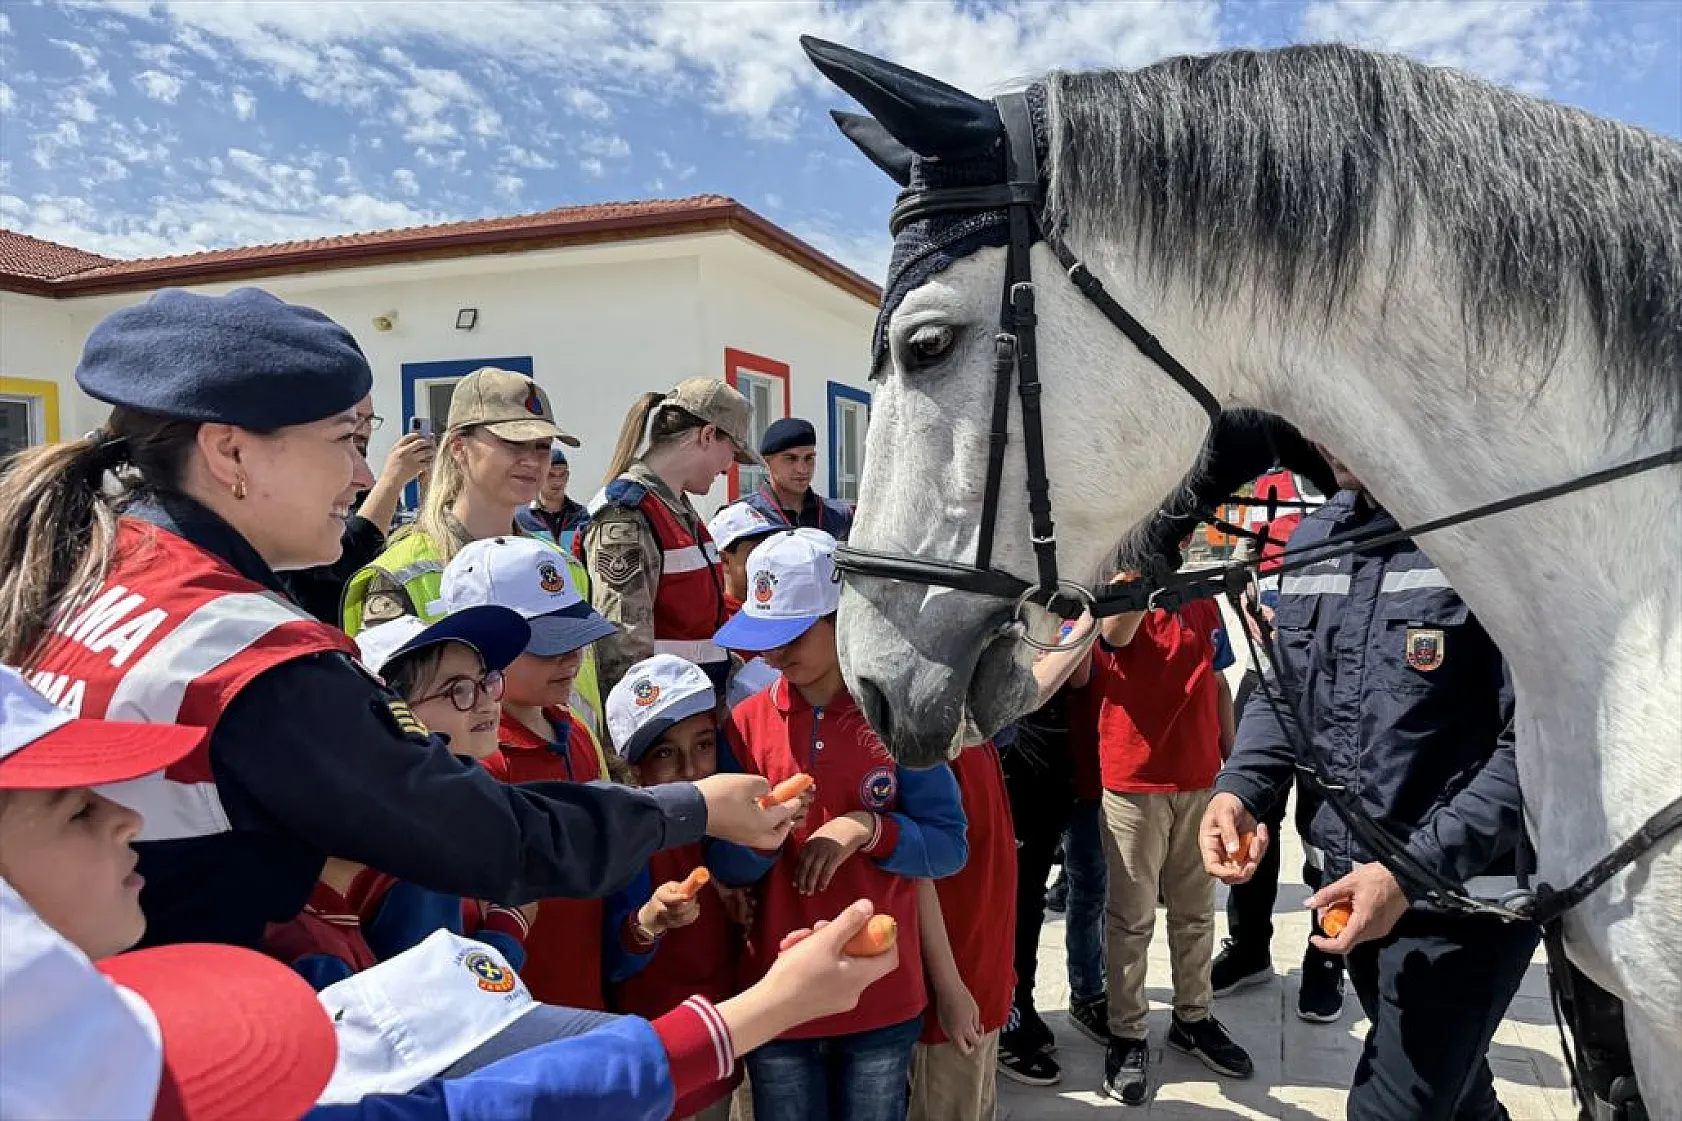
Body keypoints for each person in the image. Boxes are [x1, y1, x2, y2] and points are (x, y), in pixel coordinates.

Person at [0, 287, 801, 955]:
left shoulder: (88, 570)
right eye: (347, 439)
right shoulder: (240, 651)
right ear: (230, 453)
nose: (363, 473)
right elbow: (477, 831)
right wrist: (694, 807)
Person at [1203, 447, 1533, 1121]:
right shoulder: (1316, 536)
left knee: (1392, 1103)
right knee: (1456, 1091)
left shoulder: (1494, 535)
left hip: (1466, 903)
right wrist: (1238, 789)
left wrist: (1407, 873)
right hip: (1354, 894)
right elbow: (1282, 692)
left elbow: (1533, 750)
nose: (1329, 436)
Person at [710, 530, 970, 1121]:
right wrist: (762, 835)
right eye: (765, 637)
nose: (773, 656)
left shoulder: (897, 720)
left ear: (845, 617)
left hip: (881, 1001)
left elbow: (949, 846)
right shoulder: (747, 725)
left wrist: (867, 829)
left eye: (792, 636)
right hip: (779, 998)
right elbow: (726, 864)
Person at [264, 607, 538, 987]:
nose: (485, 702)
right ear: (391, 717)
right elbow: (434, 999)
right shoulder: (416, 851)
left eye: (486, 681)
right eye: (456, 690)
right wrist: (510, 926)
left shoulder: (443, 816)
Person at [341, 366, 606, 742]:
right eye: (514, 444)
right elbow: (386, 724)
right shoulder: (401, 574)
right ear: (459, 448)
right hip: (467, 791)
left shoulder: (563, 566)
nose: (532, 460)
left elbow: (585, 700)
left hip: (573, 778)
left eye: (542, 447)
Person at [438, 535, 644, 1008]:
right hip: (513, 1017)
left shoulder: (572, 732)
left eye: (575, 639)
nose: (572, 658)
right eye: (547, 645)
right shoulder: (470, 764)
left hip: (584, 996)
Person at [1077, 570, 1253, 1106]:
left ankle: (1193, 1018)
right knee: (1131, 919)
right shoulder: (1122, 590)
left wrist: (1235, 773)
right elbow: (1116, 636)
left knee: (1197, 912)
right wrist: (1139, 580)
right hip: (1134, 785)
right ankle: (1127, 1032)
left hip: (1200, 782)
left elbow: (1219, 682)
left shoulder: (1199, 598)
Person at [606, 654, 766, 1121]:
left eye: (702, 746)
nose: (692, 769)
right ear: (636, 771)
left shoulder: (727, 831)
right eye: (665, 755)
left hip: (717, 1054)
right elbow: (613, 961)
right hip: (658, 1062)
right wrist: (649, 922)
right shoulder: (634, 845)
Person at [1211, 534, 1347, 1022]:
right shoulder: (1257, 499)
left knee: (1325, 831)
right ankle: (1249, 949)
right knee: (1248, 825)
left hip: (1327, 687)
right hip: (1262, 680)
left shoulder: (1334, 499)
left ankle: (1327, 955)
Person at [585, 378, 759, 697]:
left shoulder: (678, 509)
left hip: (695, 711)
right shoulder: (628, 516)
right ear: (707, 435)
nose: (728, 468)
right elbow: (623, 654)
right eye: (732, 452)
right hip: (665, 722)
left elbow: (697, 636)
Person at [907, 732, 1016, 1121]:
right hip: (953, 989)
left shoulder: (972, 733)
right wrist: (950, 986)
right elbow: (916, 875)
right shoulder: (927, 743)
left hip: (984, 974)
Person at [281, 400, 435, 624]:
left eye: (369, 419)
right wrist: (391, 482)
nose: (363, 428)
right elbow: (346, 559)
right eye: (353, 420)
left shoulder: (366, 487)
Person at [742, 417, 853, 539]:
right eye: (790, 458)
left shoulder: (840, 515)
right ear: (768, 462)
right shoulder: (744, 516)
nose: (802, 469)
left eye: (809, 458)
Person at [708, 500, 782, 615]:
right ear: (725, 561)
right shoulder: (715, 620)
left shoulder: (783, 608)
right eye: (755, 551)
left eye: (768, 548)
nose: (765, 558)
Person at [515, 444, 592, 556]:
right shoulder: (521, 517)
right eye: (551, 475)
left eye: (562, 475)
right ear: (539, 475)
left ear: (567, 476)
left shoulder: (582, 516)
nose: (557, 481)